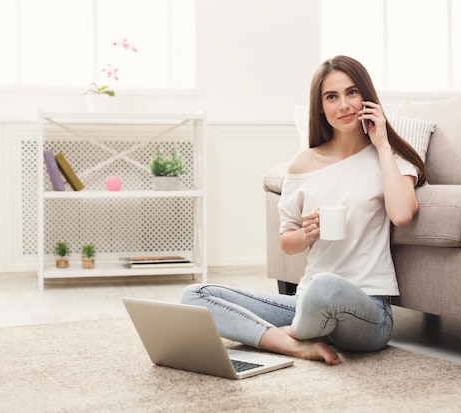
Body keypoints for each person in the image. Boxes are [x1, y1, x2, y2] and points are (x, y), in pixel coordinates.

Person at [181, 55, 427, 365]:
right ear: (321, 107)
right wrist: (307, 234)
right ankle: (294, 344)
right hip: (307, 303)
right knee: (194, 296)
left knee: (326, 285)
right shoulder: (302, 163)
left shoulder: (389, 156)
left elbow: (403, 214)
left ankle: (287, 334)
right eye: (331, 97)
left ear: (366, 96)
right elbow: (287, 242)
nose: (344, 105)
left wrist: (380, 144)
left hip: (367, 311)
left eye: (352, 92)